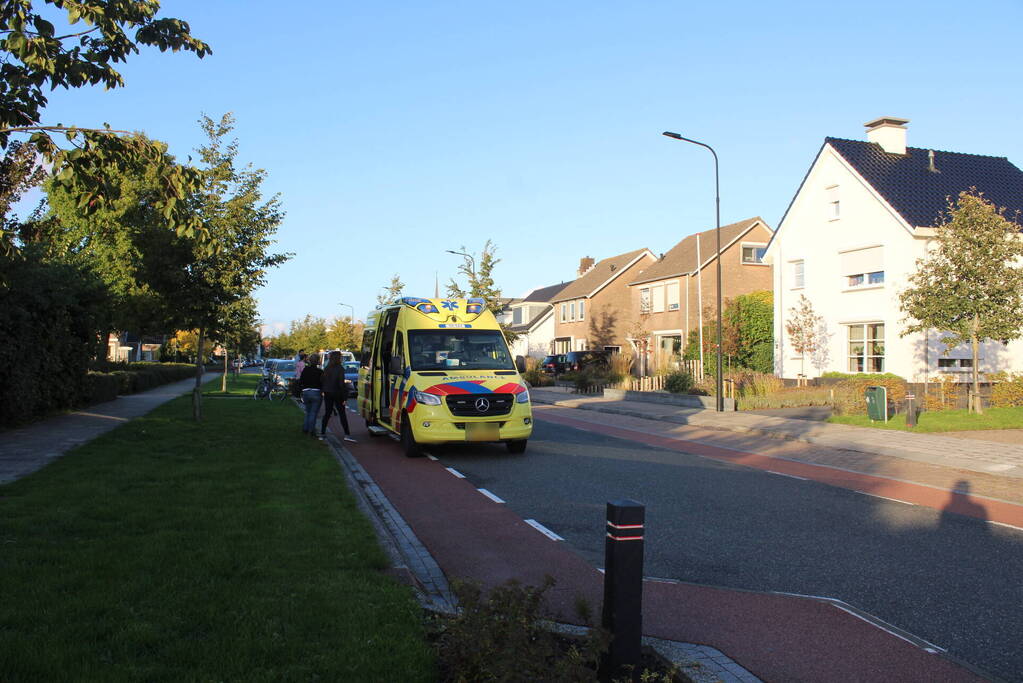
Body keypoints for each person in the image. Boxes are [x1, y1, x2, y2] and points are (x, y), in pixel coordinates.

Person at [321, 350, 356, 443]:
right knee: (342, 414)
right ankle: (347, 434)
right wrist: (345, 397)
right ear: (338, 358)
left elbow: (323, 380)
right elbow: (341, 384)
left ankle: (322, 433)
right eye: (341, 357)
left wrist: (324, 390)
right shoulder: (340, 368)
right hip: (337, 393)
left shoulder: (327, 368)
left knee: (327, 413)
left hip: (328, 392)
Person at [298, 353, 323, 436]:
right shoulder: (320, 372)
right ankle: (311, 430)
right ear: (318, 362)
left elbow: (301, 381)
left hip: (306, 392)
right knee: (314, 412)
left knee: (308, 411)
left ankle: (305, 428)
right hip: (316, 392)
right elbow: (322, 383)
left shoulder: (305, 370)